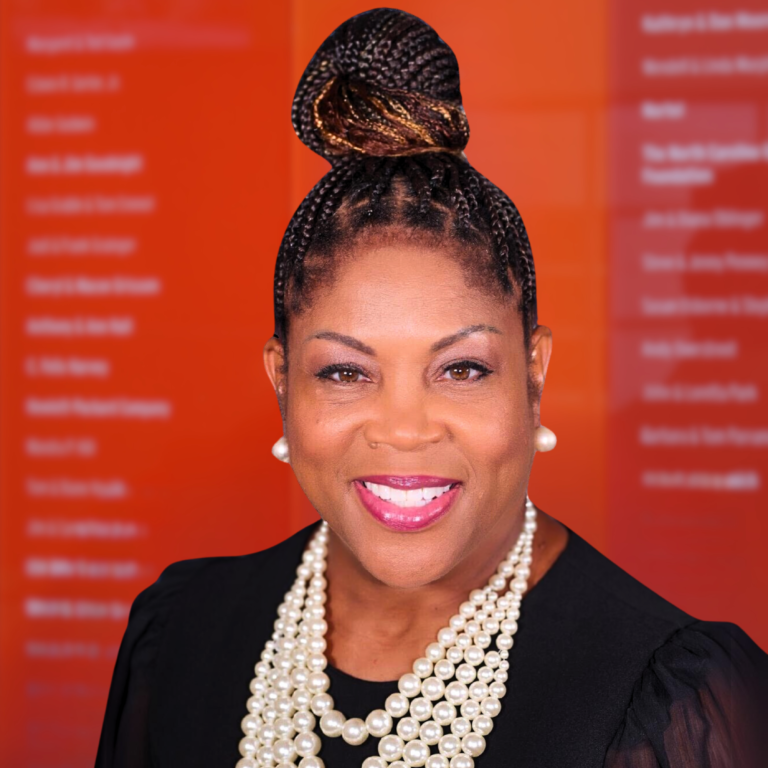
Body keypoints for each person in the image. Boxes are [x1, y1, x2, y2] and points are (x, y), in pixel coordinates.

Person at [94, 9, 767, 768]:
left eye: (462, 369)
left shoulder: (670, 697)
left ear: (534, 371)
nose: (405, 429)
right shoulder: (181, 635)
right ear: (281, 381)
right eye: (346, 372)